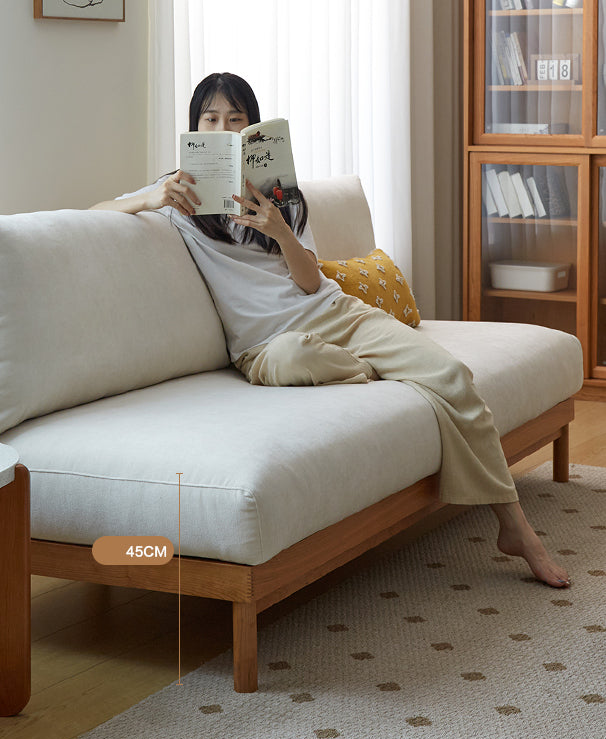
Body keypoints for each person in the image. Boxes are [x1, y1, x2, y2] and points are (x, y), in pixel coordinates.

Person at [91, 72, 570, 588]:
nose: (224, 127)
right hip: (265, 345)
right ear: (195, 127)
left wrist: (278, 229)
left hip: (333, 312)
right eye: (211, 118)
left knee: (451, 374)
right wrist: (146, 200)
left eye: (236, 119)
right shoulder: (177, 194)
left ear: (252, 129)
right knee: (297, 355)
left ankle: (516, 528)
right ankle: (371, 370)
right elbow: (94, 213)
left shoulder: (282, 195)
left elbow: (308, 281)